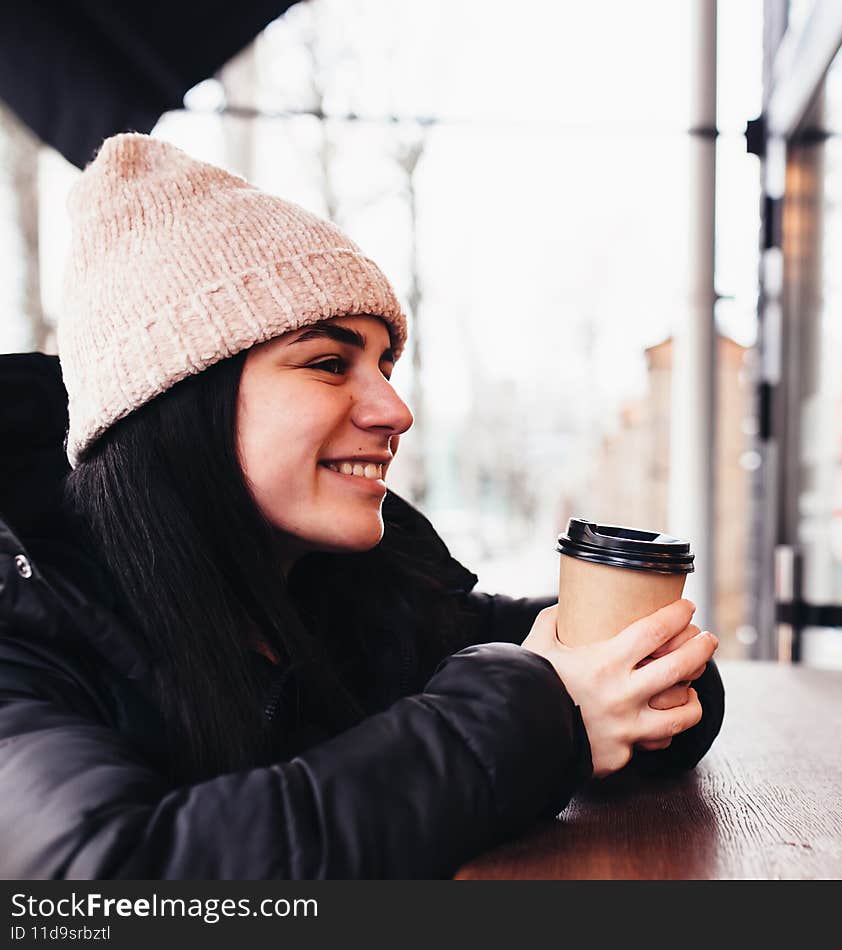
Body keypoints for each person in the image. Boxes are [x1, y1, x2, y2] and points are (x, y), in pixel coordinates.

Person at [0, 134, 724, 879]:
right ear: (177, 402)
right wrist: (542, 720)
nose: (395, 409)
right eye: (327, 363)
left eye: (383, 364)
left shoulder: (344, 588)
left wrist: (642, 674)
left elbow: (507, 640)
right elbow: (102, 880)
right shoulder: (25, 628)